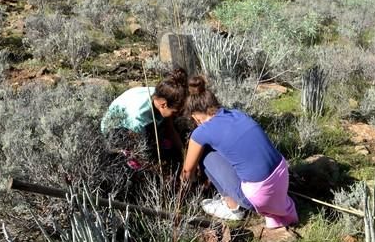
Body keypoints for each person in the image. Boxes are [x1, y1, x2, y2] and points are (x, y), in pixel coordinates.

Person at [180, 76, 298, 227]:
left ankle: (232, 207)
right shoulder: (237, 114)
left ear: (194, 116)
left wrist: (184, 190)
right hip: (281, 183)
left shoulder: (202, 132)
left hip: (258, 197)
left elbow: (187, 171)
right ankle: (266, 203)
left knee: (204, 154)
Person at [101, 68, 188, 168]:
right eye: (175, 112)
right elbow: (141, 148)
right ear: (163, 105)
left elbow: (170, 127)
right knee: (142, 158)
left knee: (166, 139)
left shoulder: (162, 95)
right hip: (116, 129)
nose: (178, 115)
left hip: (139, 121)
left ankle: (157, 140)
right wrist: (154, 166)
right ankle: (127, 155)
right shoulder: (138, 118)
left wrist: (184, 155)